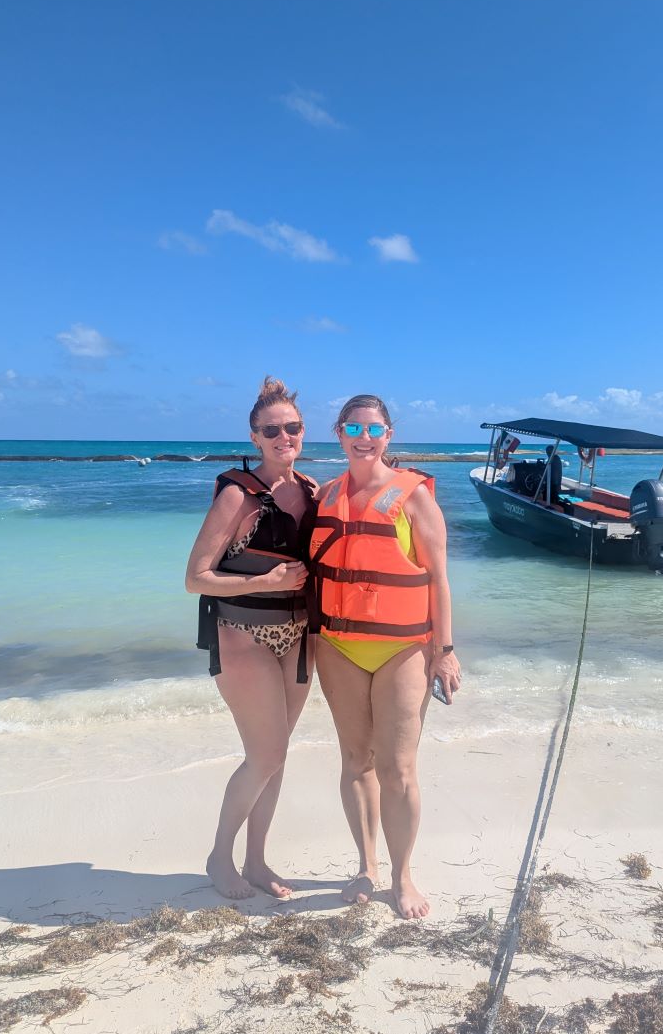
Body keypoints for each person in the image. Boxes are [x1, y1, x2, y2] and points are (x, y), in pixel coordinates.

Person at [309, 394, 461, 919]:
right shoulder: (325, 495)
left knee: (397, 768)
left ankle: (402, 877)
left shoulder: (415, 497)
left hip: (402, 649)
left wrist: (445, 652)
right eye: (353, 427)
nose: (364, 437)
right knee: (356, 760)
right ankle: (365, 866)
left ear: (389, 435)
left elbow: (440, 581)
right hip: (338, 647)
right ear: (339, 433)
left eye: (373, 428)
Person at [185, 377, 317, 900]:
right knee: (264, 753)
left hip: (299, 635)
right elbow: (196, 576)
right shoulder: (238, 495)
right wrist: (263, 582)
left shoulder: (311, 492)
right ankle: (220, 857)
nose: (284, 436)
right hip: (242, 632)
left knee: (278, 753)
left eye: (293, 427)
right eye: (272, 430)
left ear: (303, 432)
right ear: (255, 436)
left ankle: (258, 862)